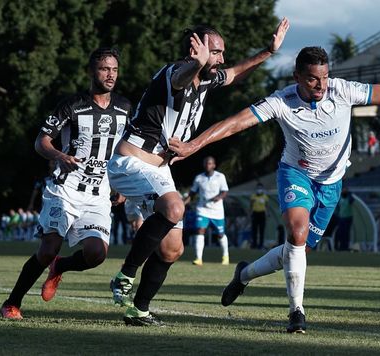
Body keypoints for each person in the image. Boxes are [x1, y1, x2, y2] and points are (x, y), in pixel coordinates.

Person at [169, 46, 380, 333]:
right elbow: (234, 124)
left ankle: (243, 274)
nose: (321, 85)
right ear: (297, 77)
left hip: (332, 183)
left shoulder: (342, 90)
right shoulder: (281, 102)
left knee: (297, 251)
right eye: (312, 79)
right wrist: (193, 145)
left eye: (325, 77)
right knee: (296, 234)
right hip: (296, 174)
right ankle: (297, 312)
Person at [106, 19, 290, 326]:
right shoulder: (174, 73)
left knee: (172, 248)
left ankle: (138, 309)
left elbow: (234, 74)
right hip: (131, 161)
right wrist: (197, 63)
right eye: (215, 52)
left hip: (159, 168)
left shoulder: (207, 79)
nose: (220, 59)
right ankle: (124, 275)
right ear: (195, 50)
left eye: (220, 52)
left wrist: (268, 52)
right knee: (176, 207)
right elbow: (181, 78)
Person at [1, 47, 130, 320]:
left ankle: (60, 267)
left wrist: (121, 185)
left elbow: (125, 150)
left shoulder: (125, 108)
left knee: (96, 254)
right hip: (65, 189)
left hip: (98, 194)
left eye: (114, 69)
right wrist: (60, 156)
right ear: (91, 71)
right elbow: (41, 141)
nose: (110, 74)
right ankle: (12, 302)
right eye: (104, 69)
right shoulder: (72, 105)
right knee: (48, 249)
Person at [187, 156, 230, 265]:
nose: (208, 165)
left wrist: (219, 197)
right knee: (200, 230)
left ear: (214, 165)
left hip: (217, 211)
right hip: (202, 209)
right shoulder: (199, 178)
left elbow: (225, 191)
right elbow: (192, 193)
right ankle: (198, 259)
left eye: (210, 163)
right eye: (206, 163)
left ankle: (225, 256)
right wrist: (183, 203)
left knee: (220, 234)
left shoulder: (220, 176)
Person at [250, 182, 269, 249]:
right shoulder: (253, 196)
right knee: (254, 230)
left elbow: (267, 206)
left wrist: (267, 213)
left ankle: (261, 245)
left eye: (260, 188)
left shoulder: (265, 197)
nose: (259, 189)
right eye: (258, 188)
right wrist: (250, 213)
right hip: (255, 214)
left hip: (262, 214)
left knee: (261, 230)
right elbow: (251, 205)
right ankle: (254, 244)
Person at [334, 187, 354, 251]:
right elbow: (337, 208)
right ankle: (339, 247)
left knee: (346, 233)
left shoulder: (349, 198)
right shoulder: (340, 198)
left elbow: (352, 200)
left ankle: (345, 247)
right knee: (340, 233)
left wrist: (349, 194)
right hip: (341, 218)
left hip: (348, 218)